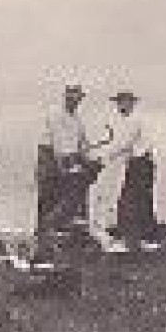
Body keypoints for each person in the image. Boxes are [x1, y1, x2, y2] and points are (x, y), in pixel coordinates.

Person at [89, 89, 151, 253]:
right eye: (119, 102)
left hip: (141, 164)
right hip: (137, 163)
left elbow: (122, 144)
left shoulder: (133, 121)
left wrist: (101, 158)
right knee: (138, 200)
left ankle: (134, 240)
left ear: (131, 104)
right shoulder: (127, 122)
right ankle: (140, 238)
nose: (120, 106)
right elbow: (118, 145)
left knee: (130, 201)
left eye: (124, 102)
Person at [37, 84, 92, 242]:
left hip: (67, 159)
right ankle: (42, 240)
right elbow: (59, 145)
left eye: (78, 97)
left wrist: (89, 157)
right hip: (50, 161)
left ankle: (63, 237)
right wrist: (68, 165)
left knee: (67, 198)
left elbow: (83, 144)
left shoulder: (77, 120)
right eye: (71, 95)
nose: (75, 100)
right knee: (48, 200)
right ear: (65, 96)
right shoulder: (55, 114)